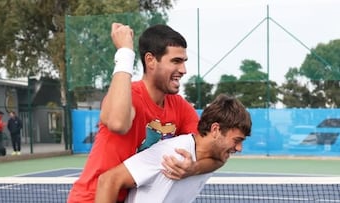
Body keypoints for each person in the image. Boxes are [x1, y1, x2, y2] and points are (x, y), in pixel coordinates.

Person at [67, 23, 222, 203]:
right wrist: (125, 53)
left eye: (184, 62)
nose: (183, 70)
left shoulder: (180, 107)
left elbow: (217, 152)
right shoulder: (128, 96)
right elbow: (118, 123)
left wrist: (193, 168)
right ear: (150, 61)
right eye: (176, 61)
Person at [95, 94, 252, 203]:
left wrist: (194, 168)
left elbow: (218, 161)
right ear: (216, 130)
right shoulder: (172, 152)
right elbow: (108, 181)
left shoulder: (214, 157)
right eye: (237, 140)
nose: (239, 148)